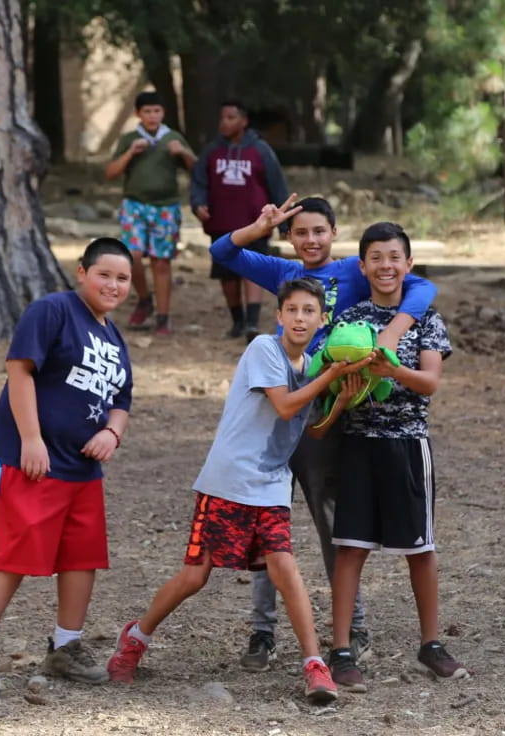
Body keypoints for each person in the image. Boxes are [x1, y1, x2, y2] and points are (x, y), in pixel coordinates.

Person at [105, 275, 372, 705]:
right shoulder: (264, 350)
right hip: (229, 480)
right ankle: (135, 637)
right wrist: (334, 374)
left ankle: (314, 666)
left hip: (270, 485)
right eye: (293, 310)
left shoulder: (313, 367)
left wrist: (341, 399)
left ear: (322, 321)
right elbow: (286, 406)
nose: (300, 319)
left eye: (309, 312)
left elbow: (314, 431)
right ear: (279, 316)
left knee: (285, 567)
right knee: (196, 576)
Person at [209, 195, 439, 671]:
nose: (310, 240)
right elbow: (222, 254)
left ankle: (352, 627)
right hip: (276, 410)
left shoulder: (355, 272)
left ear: (334, 233)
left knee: (332, 521)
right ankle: (262, 631)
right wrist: (258, 226)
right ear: (290, 239)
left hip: (327, 412)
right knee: (265, 520)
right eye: (300, 233)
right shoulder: (282, 276)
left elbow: (423, 287)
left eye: (319, 231)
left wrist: (394, 331)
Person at [0, 238, 135, 701]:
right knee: (14, 556)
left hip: (82, 470)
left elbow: (121, 401)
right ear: (82, 273)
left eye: (123, 278)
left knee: (80, 558)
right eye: (104, 274)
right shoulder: (52, 311)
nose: (113, 284)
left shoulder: (111, 335)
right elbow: (20, 370)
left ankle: (65, 645)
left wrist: (112, 433)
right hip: (35, 463)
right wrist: (31, 439)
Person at [315, 221, 467, 693]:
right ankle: (341, 650)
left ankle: (431, 645)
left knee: (419, 549)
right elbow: (331, 376)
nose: (385, 265)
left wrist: (391, 368)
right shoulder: (350, 320)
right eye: (375, 258)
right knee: (351, 547)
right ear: (362, 266)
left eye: (393, 257)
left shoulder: (427, 319)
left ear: (408, 265)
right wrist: (346, 378)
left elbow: (430, 382)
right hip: (358, 444)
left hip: (407, 444)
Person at [190, 99, 289, 340]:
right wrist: (198, 203)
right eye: (222, 118)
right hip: (222, 222)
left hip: (256, 222)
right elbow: (199, 180)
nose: (224, 123)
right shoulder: (212, 150)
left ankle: (252, 324)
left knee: (252, 270)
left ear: (243, 121)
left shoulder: (260, 150)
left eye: (231, 117)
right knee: (227, 274)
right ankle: (237, 321)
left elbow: (277, 184)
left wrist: (284, 221)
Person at [105, 90, 196, 336]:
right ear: (138, 114)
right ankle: (144, 299)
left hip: (166, 207)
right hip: (134, 205)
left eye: (156, 111)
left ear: (163, 113)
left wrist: (183, 153)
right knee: (131, 256)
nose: (152, 116)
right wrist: (130, 153)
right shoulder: (130, 138)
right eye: (147, 111)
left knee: (161, 262)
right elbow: (110, 173)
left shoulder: (173, 137)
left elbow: (196, 170)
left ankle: (163, 317)